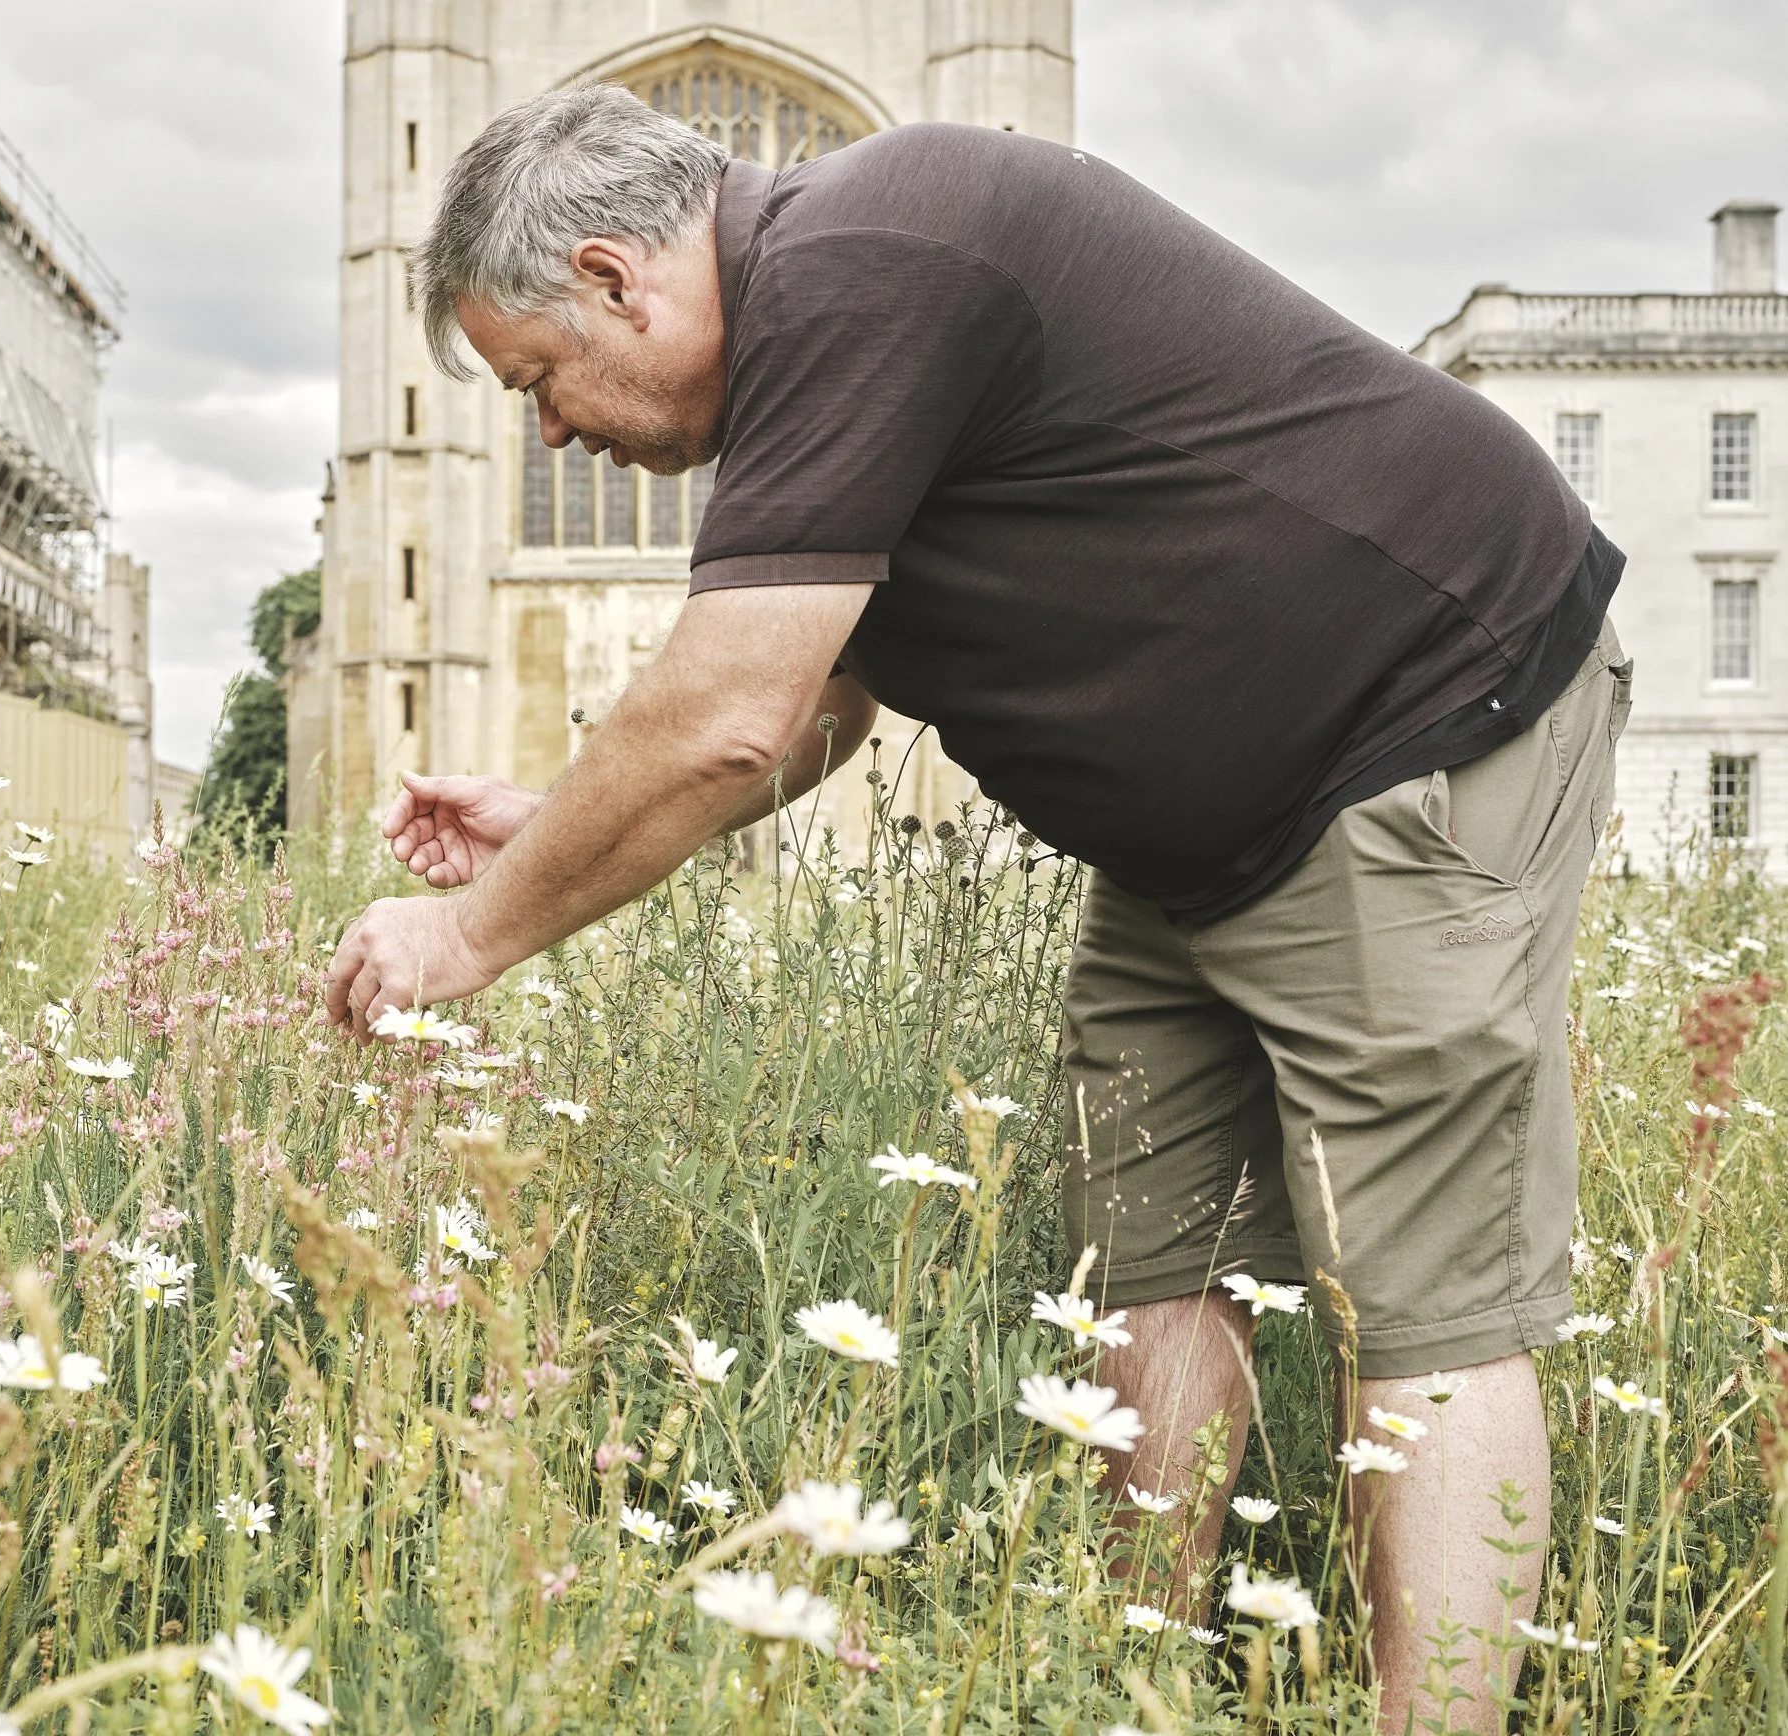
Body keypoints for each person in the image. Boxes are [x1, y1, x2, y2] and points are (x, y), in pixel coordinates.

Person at [320, 84, 1631, 1733]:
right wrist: (547, 832)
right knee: (1145, 1253)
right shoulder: (819, 331)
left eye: (540, 383)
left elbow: (724, 712)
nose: (555, 436)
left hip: (1423, 723)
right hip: (1195, 838)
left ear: (611, 280)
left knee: (1424, 1295)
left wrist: (464, 934)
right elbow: (818, 701)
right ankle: (1135, 1689)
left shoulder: (873, 253)